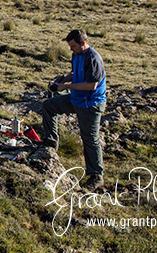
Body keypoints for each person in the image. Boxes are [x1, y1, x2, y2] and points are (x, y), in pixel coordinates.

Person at [41, 29, 108, 190]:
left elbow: (92, 85)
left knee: (90, 138)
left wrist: (67, 86)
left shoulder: (93, 58)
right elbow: (75, 72)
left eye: (73, 46)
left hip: (90, 104)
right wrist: (64, 78)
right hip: (76, 99)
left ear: (83, 43)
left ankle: (96, 176)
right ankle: (50, 144)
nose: (71, 49)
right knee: (48, 106)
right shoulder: (77, 55)